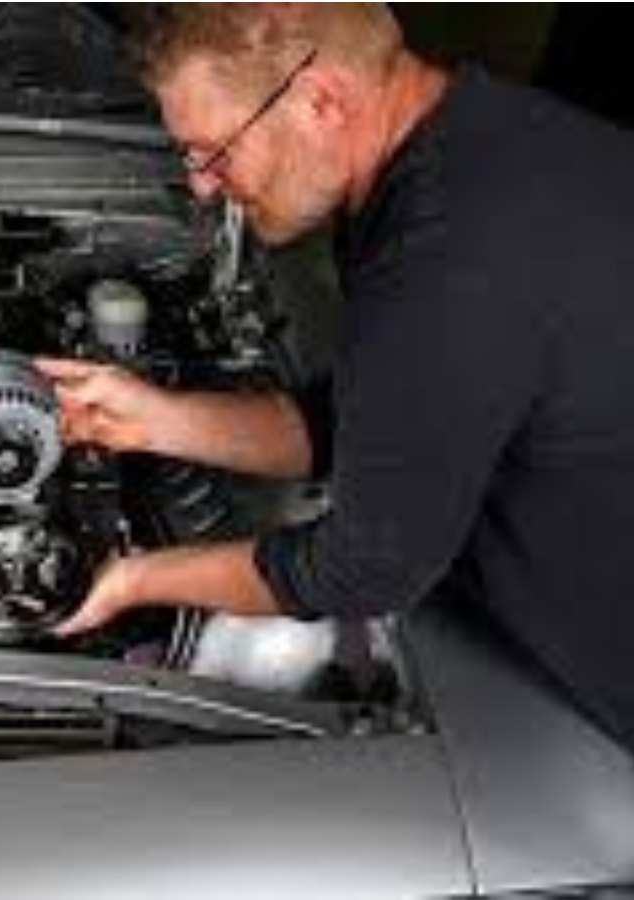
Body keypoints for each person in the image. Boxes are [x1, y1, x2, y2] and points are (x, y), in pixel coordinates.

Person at [38, 2, 634, 748]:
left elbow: (361, 568)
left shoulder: (448, 264)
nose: (200, 187)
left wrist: (133, 579)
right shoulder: (465, 142)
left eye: (214, 153)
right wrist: (154, 419)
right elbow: (380, 414)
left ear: (320, 101)